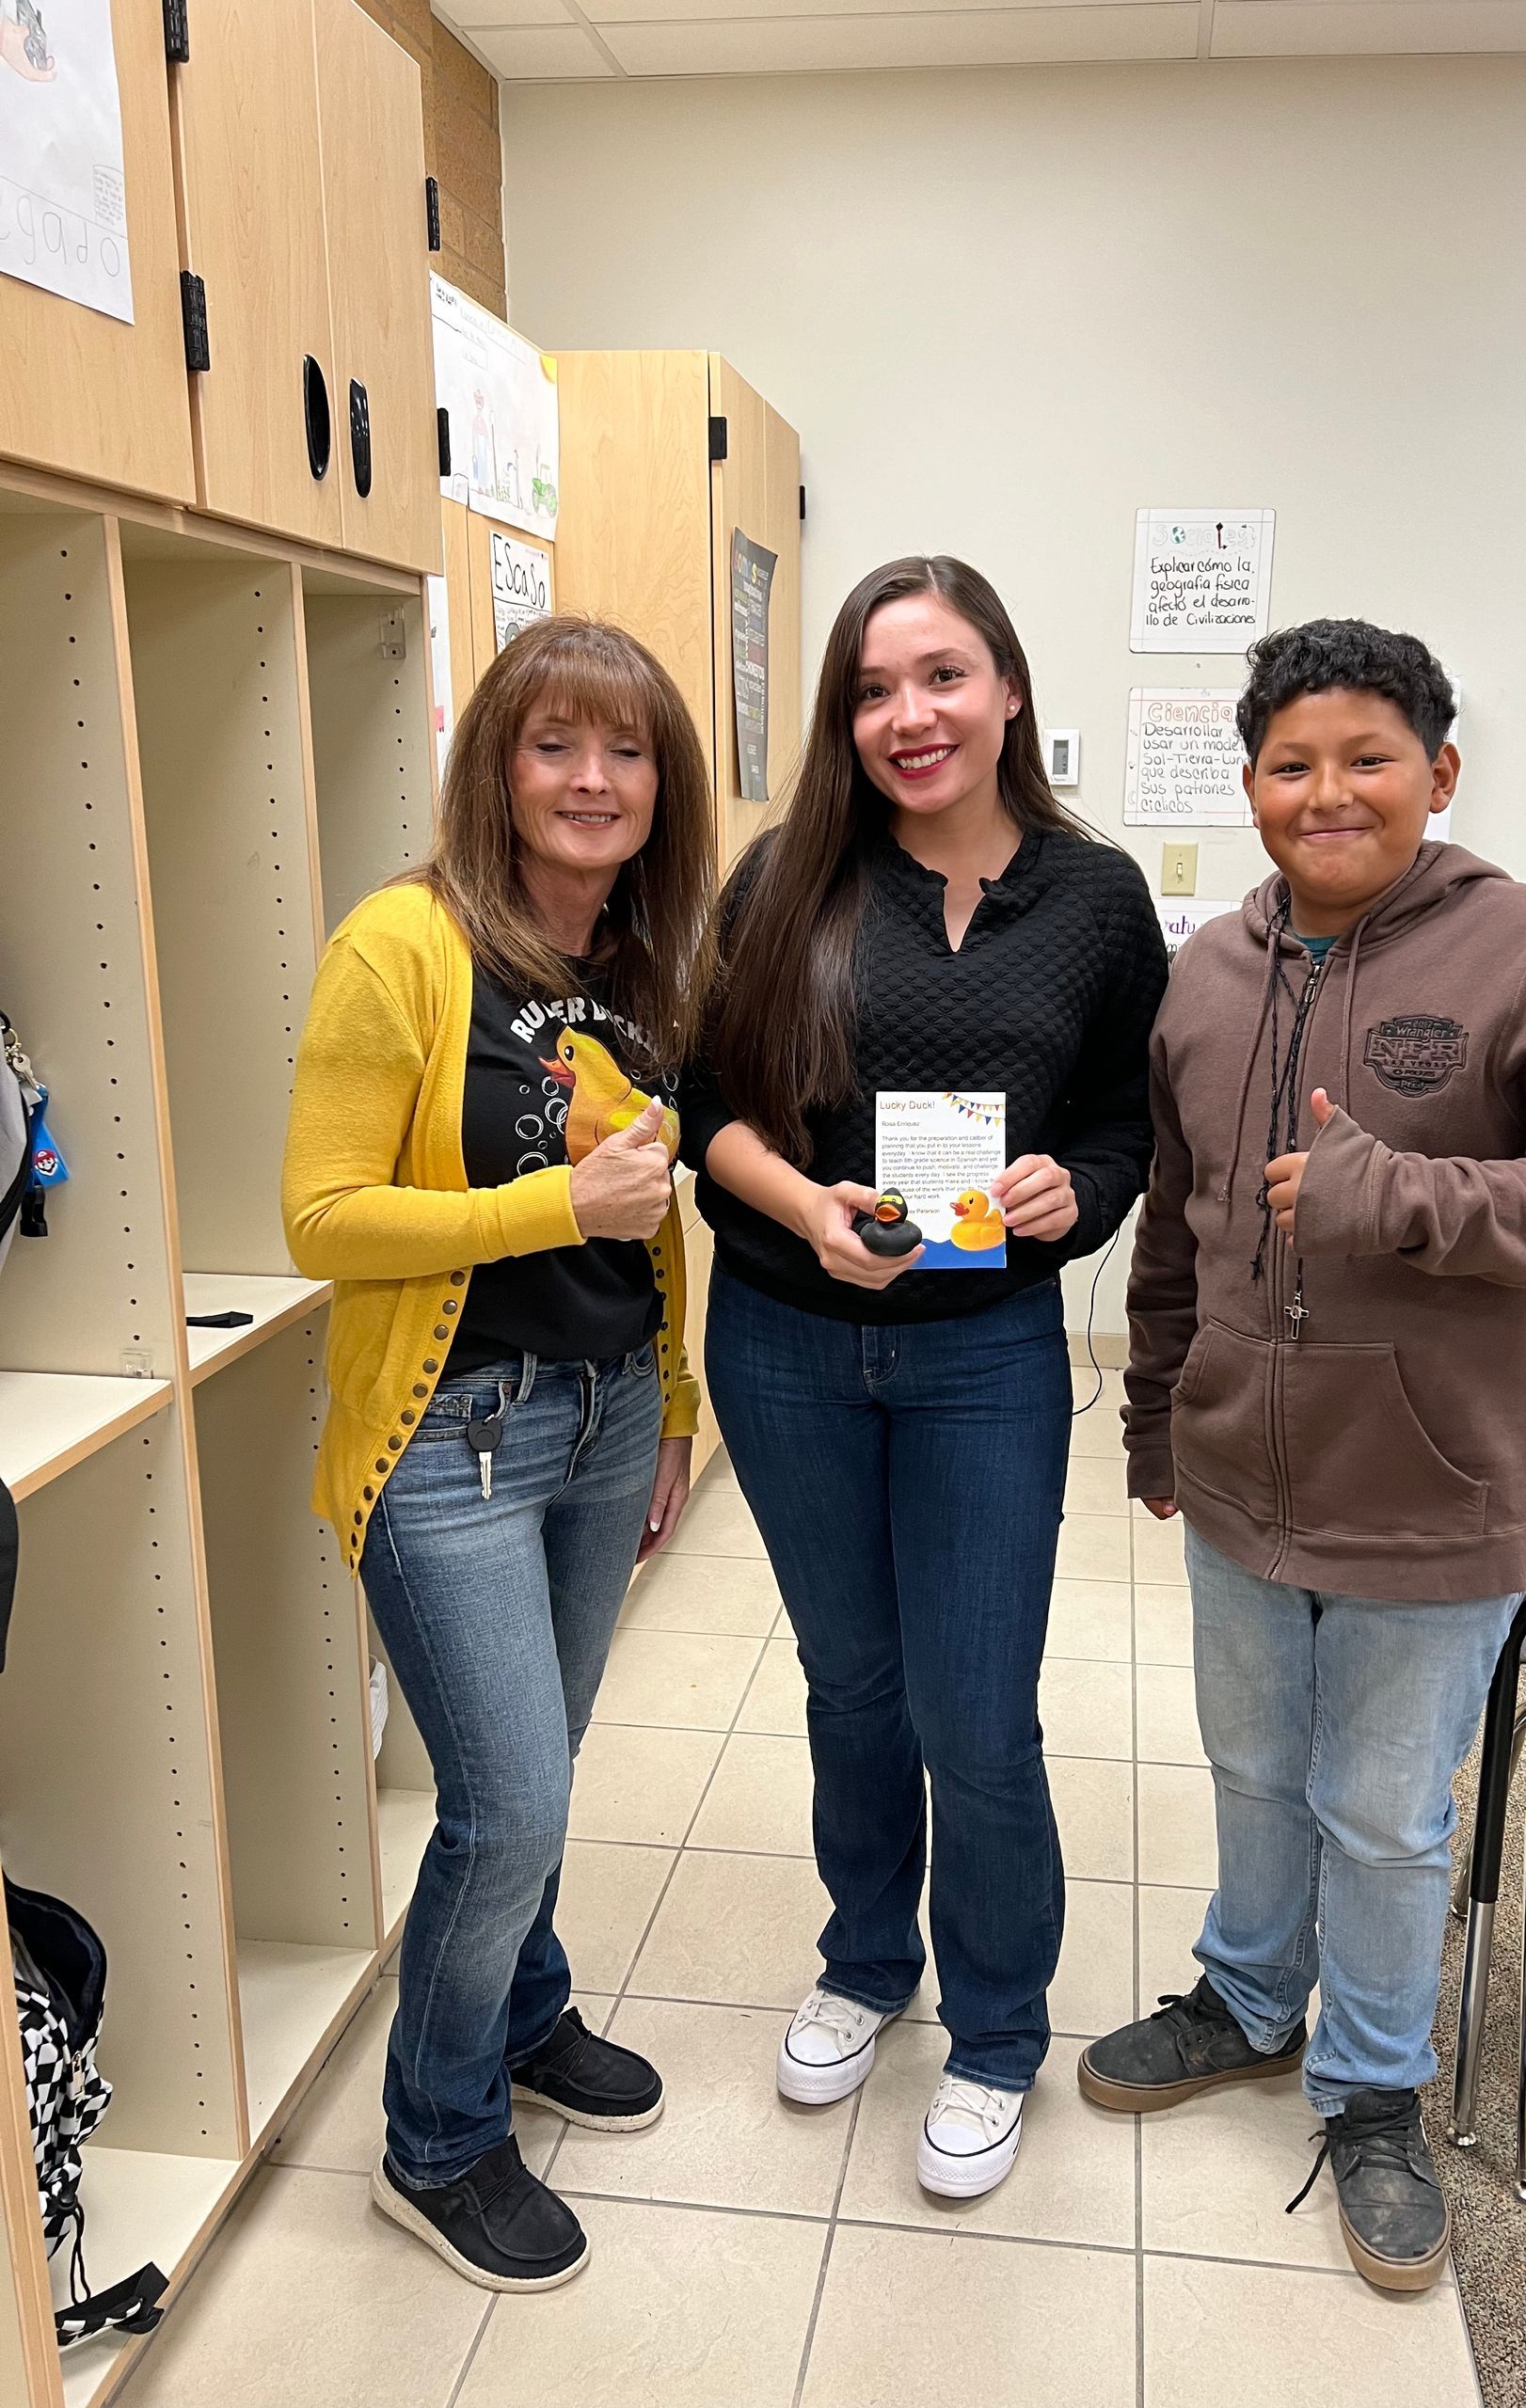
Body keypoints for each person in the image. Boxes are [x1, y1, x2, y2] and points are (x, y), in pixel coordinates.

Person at [1078, 619, 1526, 2289]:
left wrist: (1401, 1197)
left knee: (1386, 1813)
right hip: (1240, 1475)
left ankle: (1370, 2092)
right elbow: (1186, 1231)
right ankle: (1253, 2000)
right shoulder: (1208, 969)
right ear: (1251, 780)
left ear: (1440, 773)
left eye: (1368, 759)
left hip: (1434, 1484)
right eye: (1291, 763)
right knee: (1258, 1771)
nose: (1327, 792)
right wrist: (1152, 1414)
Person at [682, 556, 1167, 2199]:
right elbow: (709, 1110)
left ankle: (1001, 2030)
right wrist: (807, 1209)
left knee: (978, 1707)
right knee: (851, 1682)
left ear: (1009, 691)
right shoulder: (788, 879)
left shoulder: (1096, 903)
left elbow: (1123, 1121)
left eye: (944, 677)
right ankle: (868, 1960)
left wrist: (1073, 1195)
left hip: (985, 1357)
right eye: (877, 690)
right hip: (787, 1337)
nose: (911, 717)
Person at [281, 616, 715, 2292]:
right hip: (451, 1437)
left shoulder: (636, 959)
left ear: (658, 785)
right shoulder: (401, 945)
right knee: (506, 1802)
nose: (593, 780)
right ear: (499, 767)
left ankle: (526, 2020)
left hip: (604, 1426)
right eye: (556, 746)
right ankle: (437, 2142)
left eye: (625, 752)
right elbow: (320, 1217)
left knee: (541, 1779)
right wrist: (556, 1199)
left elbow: (652, 1230)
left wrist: (671, 1407)